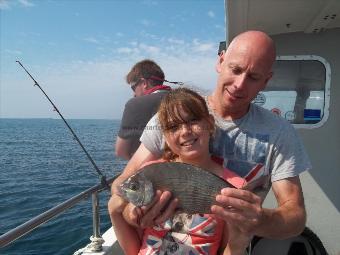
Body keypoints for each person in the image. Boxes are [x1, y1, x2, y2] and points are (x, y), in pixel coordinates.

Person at [109, 30, 311, 244]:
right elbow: (123, 182)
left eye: (253, 77)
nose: (240, 84)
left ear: (266, 81)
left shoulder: (279, 133)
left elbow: (295, 217)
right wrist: (134, 209)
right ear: (221, 61)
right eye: (236, 69)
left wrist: (260, 220)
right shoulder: (174, 117)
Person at [109, 88, 251, 255]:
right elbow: (134, 250)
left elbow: (228, 248)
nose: (185, 131)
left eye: (193, 121)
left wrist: (240, 240)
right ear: (165, 136)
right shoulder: (148, 175)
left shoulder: (234, 187)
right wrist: (115, 212)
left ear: (210, 123)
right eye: (173, 126)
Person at [115, 59, 171, 160]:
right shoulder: (183, 99)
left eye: (133, 87)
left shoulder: (135, 104)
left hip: (153, 171)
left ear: (144, 83)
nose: (134, 94)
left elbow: (121, 151)